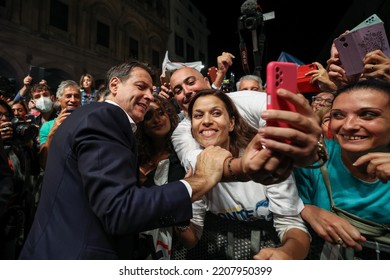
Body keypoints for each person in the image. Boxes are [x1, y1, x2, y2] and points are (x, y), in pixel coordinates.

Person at [18, 60, 231, 260]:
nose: (148, 96)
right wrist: (199, 180)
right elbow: (119, 210)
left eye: (151, 89)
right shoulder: (106, 118)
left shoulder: (92, 116)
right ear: (114, 85)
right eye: (141, 86)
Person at [174, 89, 310, 260]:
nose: (207, 121)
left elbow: (293, 228)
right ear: (192, 128)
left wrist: (287, 254)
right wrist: (180, 215)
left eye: (216, 113)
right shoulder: (195, 166)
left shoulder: (265, 159)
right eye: (198, 116)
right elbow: (191, 240)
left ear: (231, 123)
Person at [163, 59, 323, 185]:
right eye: (178, 90)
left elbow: (276, 117)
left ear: (206, 81)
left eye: (191, 83)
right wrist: (245, 167)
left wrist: (295, 144)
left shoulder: (244, 99)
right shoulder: (181, 131)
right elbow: (196, 163)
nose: (187, 92)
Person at [293, 78, 390, 259]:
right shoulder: (313, 157)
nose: (348, 125)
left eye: (368, 114)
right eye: (338, 115)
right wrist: (307, 210)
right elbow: (285, 205)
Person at [136, 95, 186, 259]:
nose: (157, 120)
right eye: (149, 116)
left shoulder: (183, 155)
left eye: (161, 113)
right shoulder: (136, 158)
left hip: (179, 245)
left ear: (170, 115)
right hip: (142, 241)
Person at [0, 100, 40, 259]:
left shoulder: (17, 144)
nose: (3, 119)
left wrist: (29, 146)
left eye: (5, 115)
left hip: (20, 214)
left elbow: (35, 171)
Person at [38, 80, 81, 169]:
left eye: (76, 96)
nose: (73, 100)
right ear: (58, 100)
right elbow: (43, 162)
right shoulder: (48, 126)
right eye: (68, 96)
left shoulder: (87, 122)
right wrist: (52, 132)